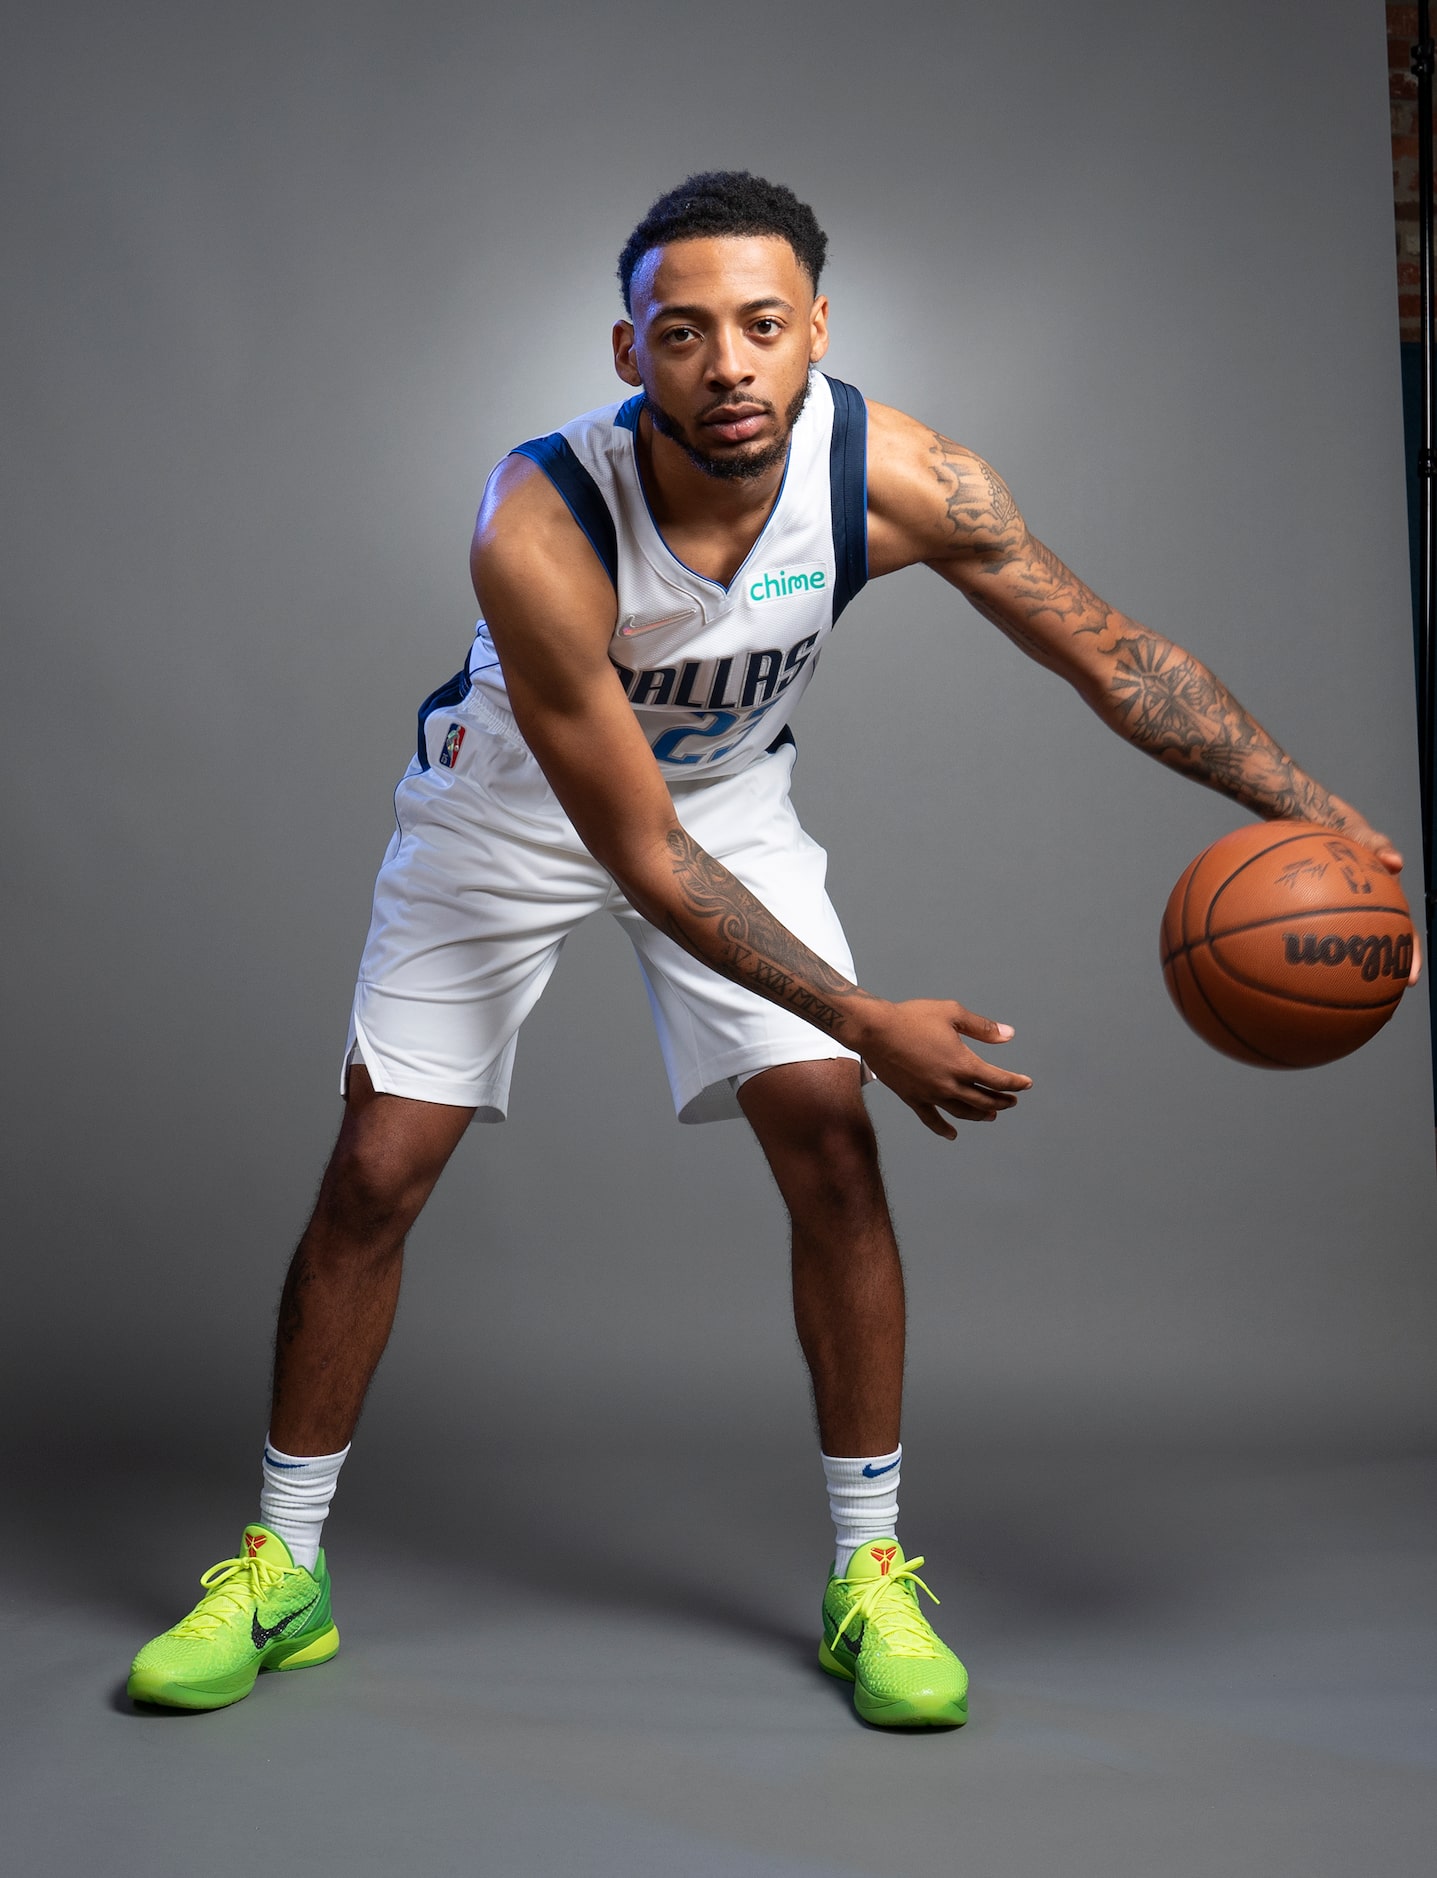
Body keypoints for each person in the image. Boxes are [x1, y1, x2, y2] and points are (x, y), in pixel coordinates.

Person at [126, 172, 1411, 1729]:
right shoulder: (536, 523)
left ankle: (866, 1577)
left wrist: (1325, 823)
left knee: (831, 1150)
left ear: (815, 330)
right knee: (378, 1169)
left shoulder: (908, 478)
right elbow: (635, 853)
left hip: (726, 804)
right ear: (627, 352)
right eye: (684, 334)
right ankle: (284, 1565)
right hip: (515, 807)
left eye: (759, 325)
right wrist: (867, 1011)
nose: (726, 365)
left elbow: (1121, 662)